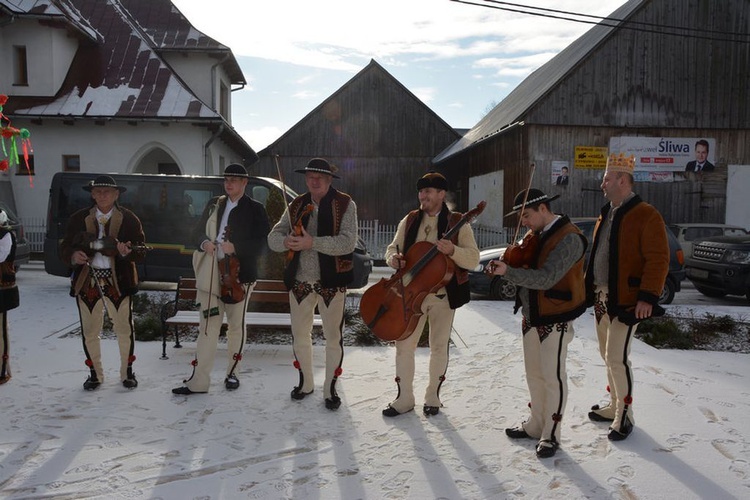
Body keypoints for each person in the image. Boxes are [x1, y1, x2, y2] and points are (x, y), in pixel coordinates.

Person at [486, 188, 587, 458]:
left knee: (553, 377)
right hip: (531, 316)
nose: (525, 223)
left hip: (556, 316)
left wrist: (509, 271)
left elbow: (546, 278)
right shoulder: (535, 234)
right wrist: (504, 266)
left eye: (527, 216)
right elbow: (524, 265)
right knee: (534, 374)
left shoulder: (570, 238)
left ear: (543, 209)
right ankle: (535, 424)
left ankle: (551, 432)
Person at [381, 171, 479, 417]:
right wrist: (393, 257)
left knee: (438, 346)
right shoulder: (411, 219)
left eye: (428, 191)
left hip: (442, 296)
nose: (422, 196)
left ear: (441, 194)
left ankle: (433, 397)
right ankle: (404, 398)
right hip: (410, 293)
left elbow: (474, 259)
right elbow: (393, 247)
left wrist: (453, 250)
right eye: (421, 191)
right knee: (403, 344)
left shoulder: (458, 222)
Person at [586, 153, 669, 441]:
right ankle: (614, 405)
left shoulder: (647, 214)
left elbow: (658, 259)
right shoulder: (607, 212)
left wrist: (647, 297)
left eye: (607, 178)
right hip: (601, 298)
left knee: (616, 357)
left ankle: (626, 414)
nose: (602, 183)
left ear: (622, 180)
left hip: (627, 300)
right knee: (606, 355)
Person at [267, 158, 357, 411]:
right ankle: (306, 383)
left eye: (319, 177)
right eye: (310, 177)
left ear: (329, 179)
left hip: (332, 283)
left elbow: (348, 242)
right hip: (300, 282)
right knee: (300, 336)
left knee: (332, 337)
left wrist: (312, 243)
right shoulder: (296, 204)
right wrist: (286, 242)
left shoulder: (345, 204)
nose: (314, 181)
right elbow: (273, 237)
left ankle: (330, 387)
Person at [172, 164, 270, 395]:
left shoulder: (255, 209)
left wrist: (236, 246)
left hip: (240, 277)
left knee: (236, 328)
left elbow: (264, 244)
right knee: (207, 326)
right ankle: (199, 381)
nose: (229, 183)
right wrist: (204, 243)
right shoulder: (214, 204)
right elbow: (195, 232)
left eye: (234, 180)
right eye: (226, 179)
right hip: (211, 275)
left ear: (245, 183)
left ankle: (232, 373)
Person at [60, 175, 146, 390]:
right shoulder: (79, 218)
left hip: (119, 280)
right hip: (87, 279)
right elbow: (64, 247)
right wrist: (74, 255)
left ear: (116, 194)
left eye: (107, 191)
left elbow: (140, 250)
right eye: (98, 191)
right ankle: (95, 375)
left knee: (124, 329)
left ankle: (127, 373)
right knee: (90, 330)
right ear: (92, 194)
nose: (102, 195)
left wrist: (127, 252)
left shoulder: (129, 219)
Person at [0, 209, 20, 384]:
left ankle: (2, 370)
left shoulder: (5, 235)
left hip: (2, 289)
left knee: (0, 331)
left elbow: (0, 256)